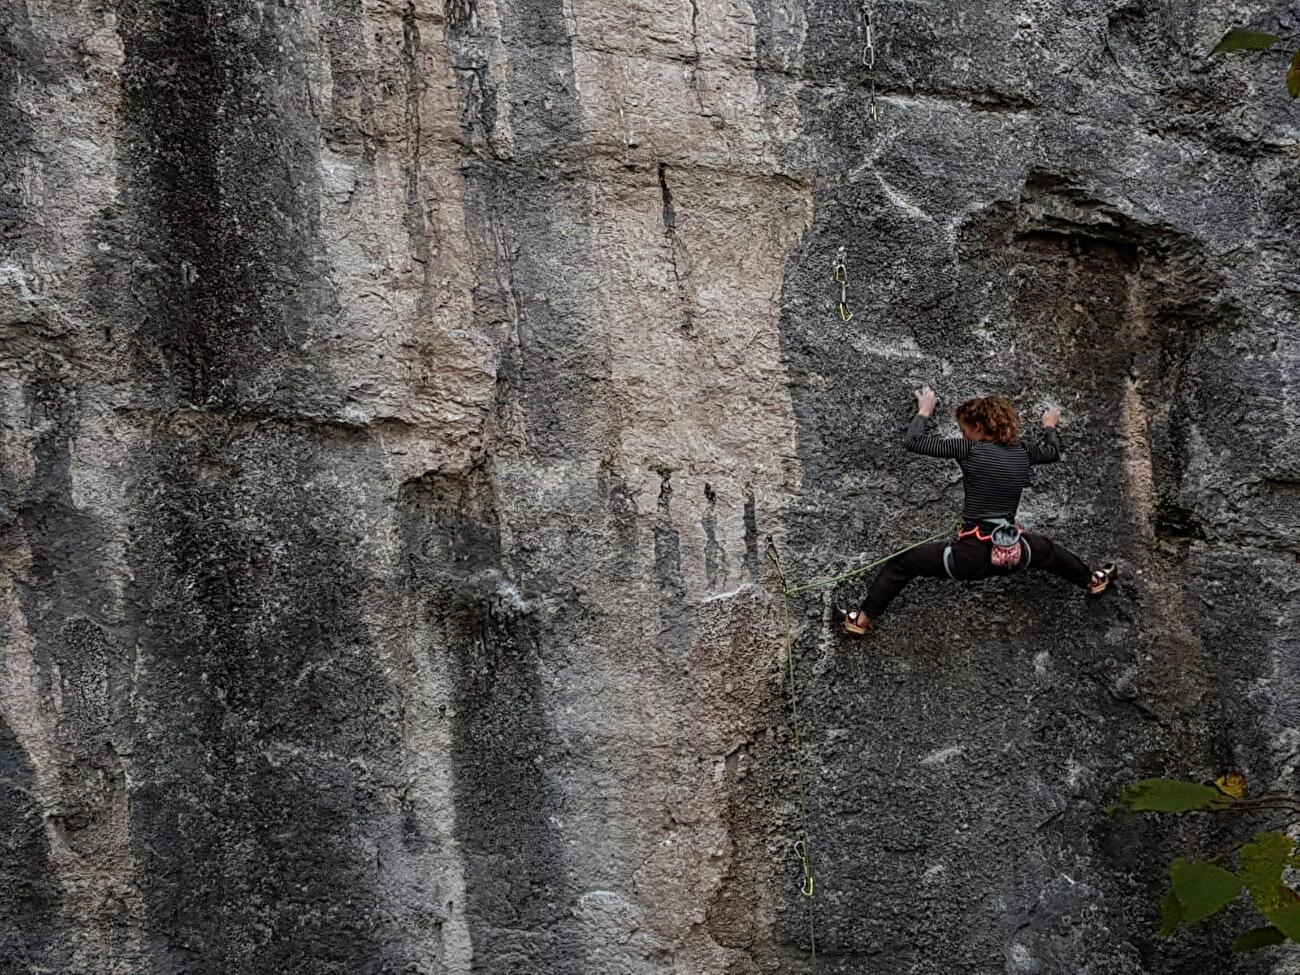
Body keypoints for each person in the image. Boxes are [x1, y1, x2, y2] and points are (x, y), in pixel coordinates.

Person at [840, 386, 1117, 636]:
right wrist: (1049, 426)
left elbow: (914, 442)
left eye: (965, 429)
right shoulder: (1024, 452)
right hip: (1015, 551)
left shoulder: (969, 449)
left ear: (979, 427)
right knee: (1048, 552)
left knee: (903, 563)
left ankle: (861, 620)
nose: (962, 434)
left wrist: (925, 409)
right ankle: (1092, 580)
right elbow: (1053, 452)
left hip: (970, 555)